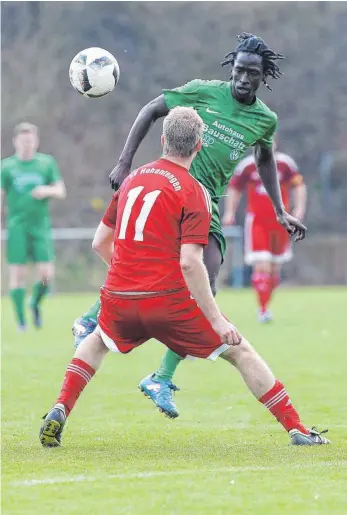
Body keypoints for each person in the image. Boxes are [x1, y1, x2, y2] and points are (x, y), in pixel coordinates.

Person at [40, 107, 328, 448]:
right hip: (169, 301)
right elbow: (191, 263)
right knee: (241, 351)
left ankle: (61, 407)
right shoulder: (195, 191)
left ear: (162, 140)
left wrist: (129, 275)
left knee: (97, 342)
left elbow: (99, 242)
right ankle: (297, 429)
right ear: (199, 146)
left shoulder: (131, 180)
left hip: (119, 296)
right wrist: (216, 321)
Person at [73, 33, 307, 418]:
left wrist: (280, 211)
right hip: (170, 195)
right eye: (238, 71)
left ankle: (159, 377)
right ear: (231, 70)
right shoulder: (202, 92)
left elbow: (265, 160)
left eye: (252, 74)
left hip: (205, 208)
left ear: (263, 77)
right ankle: (93, 316)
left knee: (204, 287)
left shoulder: (265, 120)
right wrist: (124, 161)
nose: (243, 79)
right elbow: (150, 110)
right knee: (154, 267)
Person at [222, 141, 307, 322]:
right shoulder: (247, 166)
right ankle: (262, 310)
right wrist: (229, 212)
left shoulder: (285, 164)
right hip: (257, 222)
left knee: (274, 269)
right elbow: (234, 188)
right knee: (262, 265)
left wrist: (299, 209)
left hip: (281, 222)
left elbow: (299, 185)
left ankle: (266, 305)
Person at [1, 123, 66, 330]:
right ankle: (21, 322)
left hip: (40, 227)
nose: (27, 145)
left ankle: (34, 303)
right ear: (15, 142)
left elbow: (60, 191)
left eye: (30, 141)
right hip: (17, 226)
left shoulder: (46, 163)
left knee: (46, 276)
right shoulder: (7, 166)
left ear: (36, 142)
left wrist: (46, 190)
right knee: (17, 275)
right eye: (23, 141)